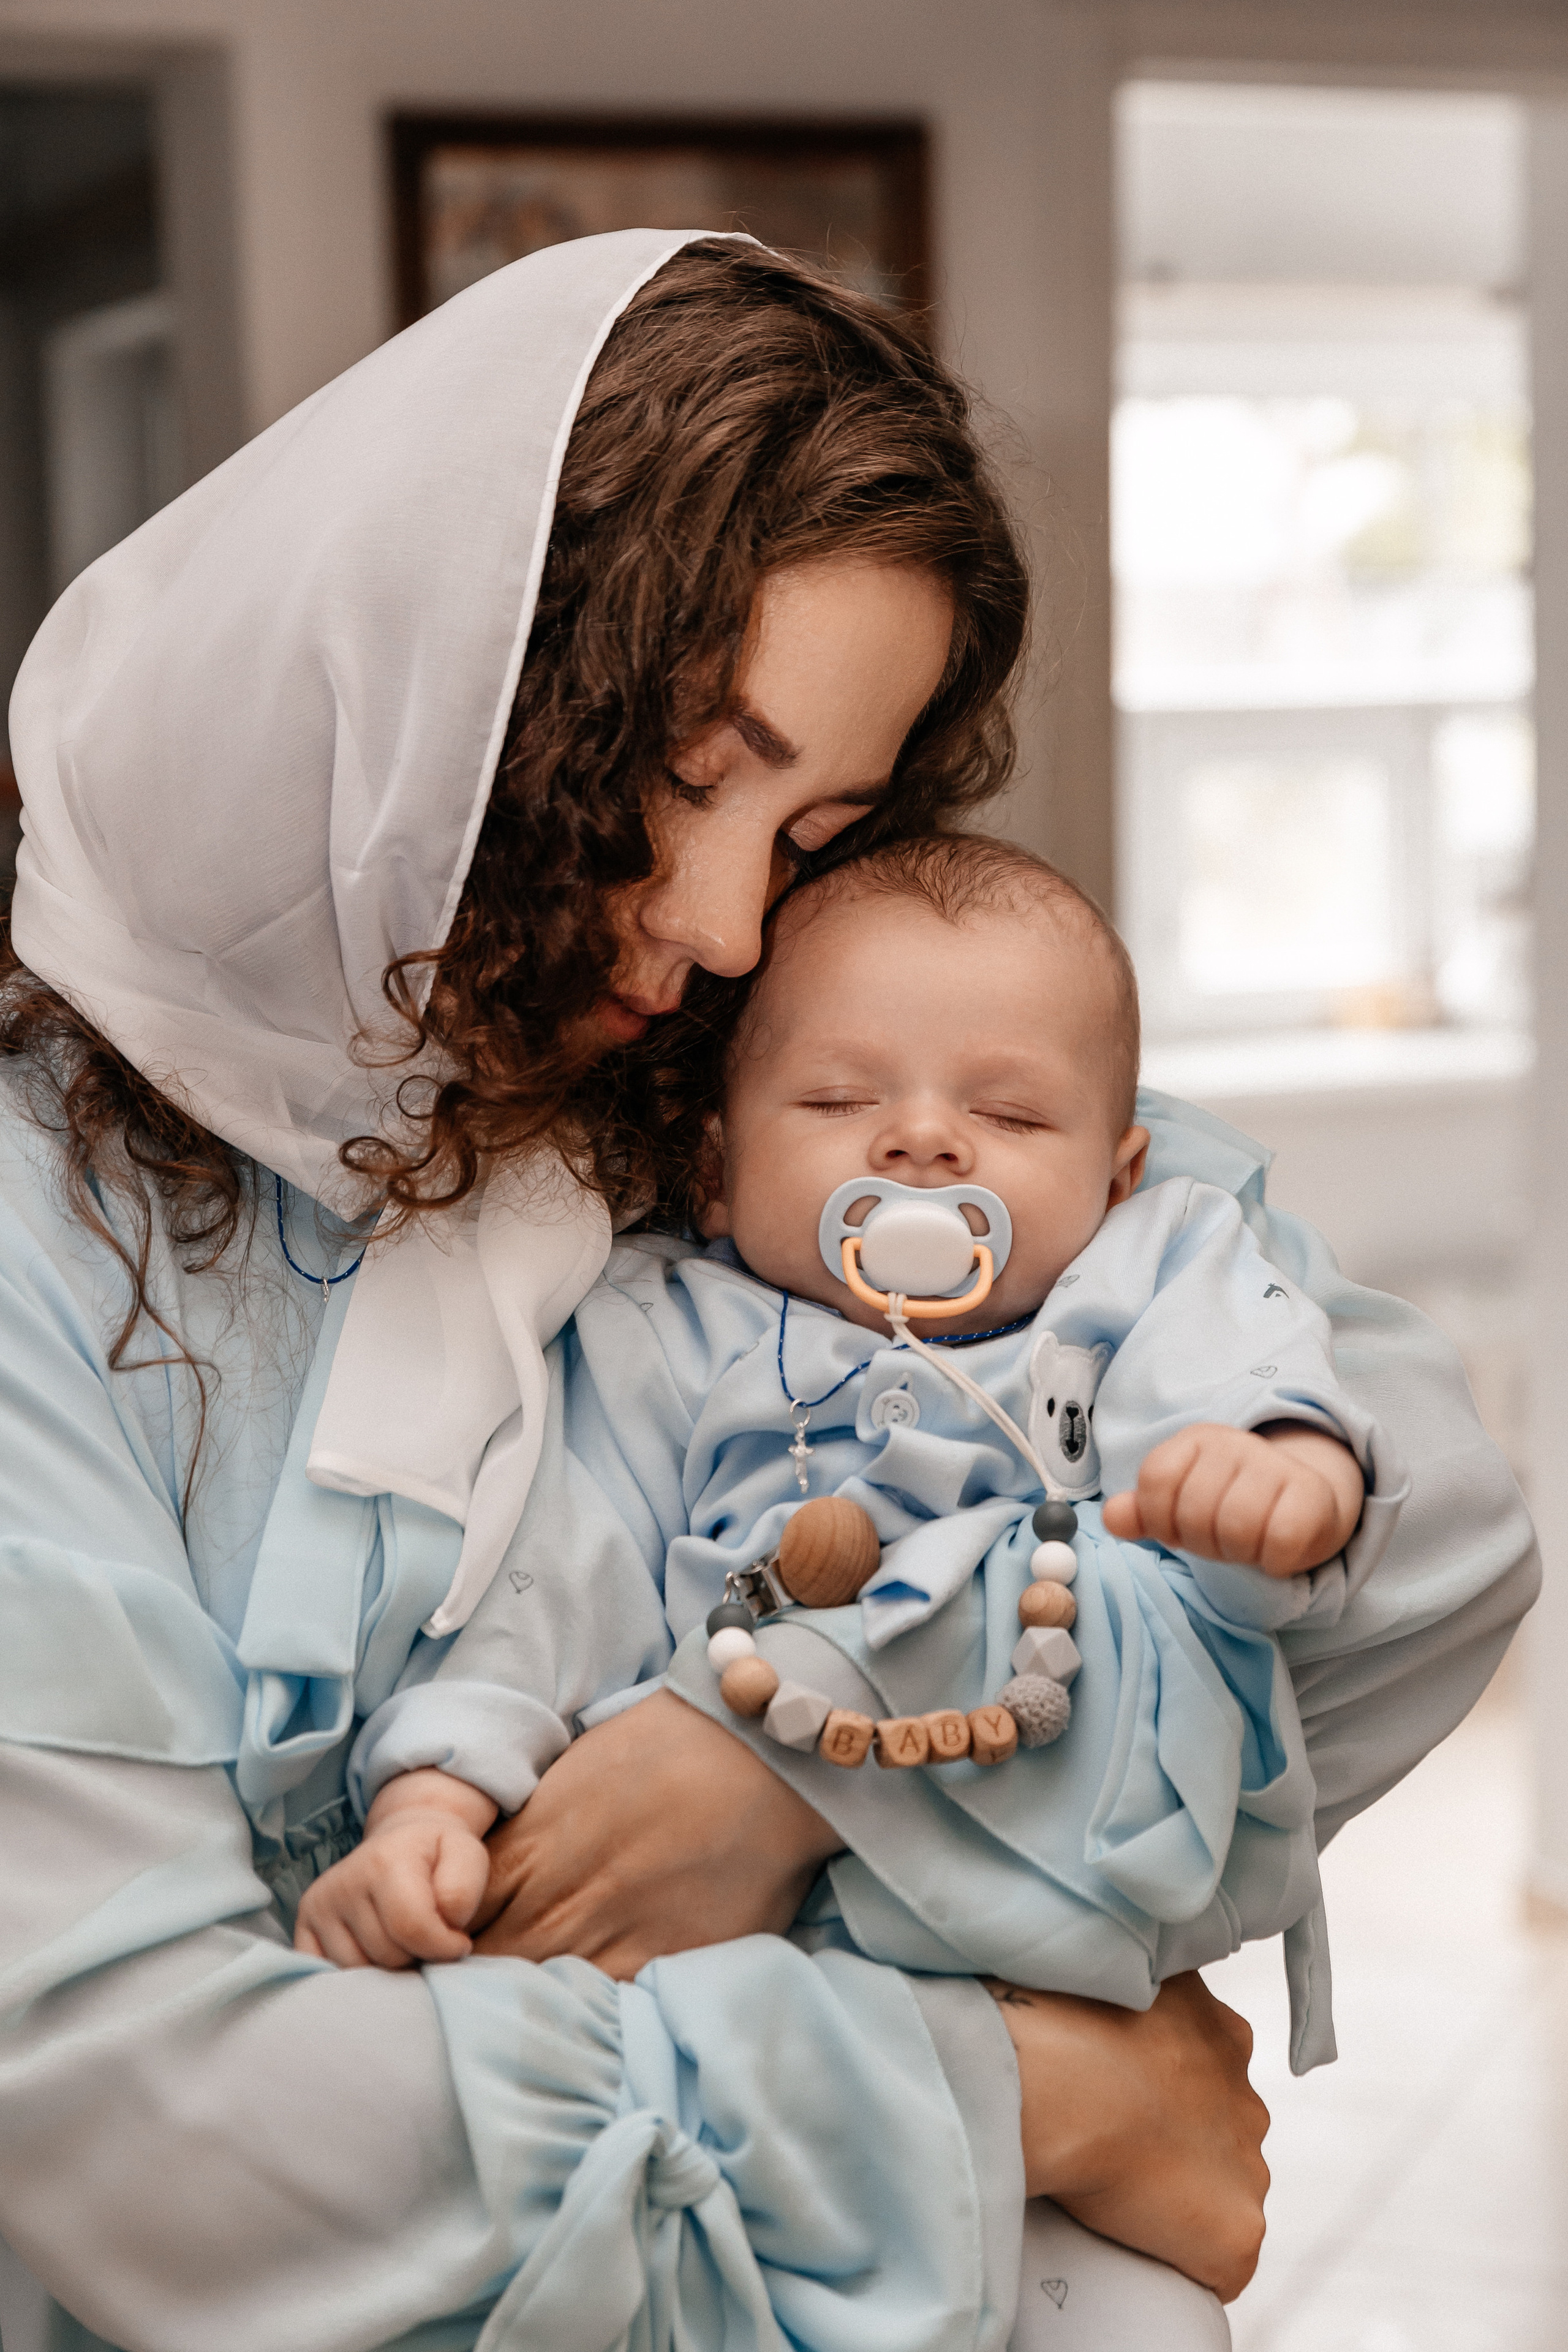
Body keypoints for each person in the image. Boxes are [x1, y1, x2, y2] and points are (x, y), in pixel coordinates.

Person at [0, 229, 1534, 2352]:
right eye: (685, 771)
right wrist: (1027, 2094)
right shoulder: (48, 1243)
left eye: (815, 828)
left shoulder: (734, 1074)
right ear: (466, 700)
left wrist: (817, 1760)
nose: (733, 926)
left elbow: (1426, 1517)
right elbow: (153, 2139)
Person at [300, 832, 1394, 2098]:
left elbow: (1244, 1372)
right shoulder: (662, 1338)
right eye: (835, 1101)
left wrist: (1285, 1471)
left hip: (1034, 1881)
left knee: (1061, 2208)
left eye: (1008, 1113)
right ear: (715, 1173)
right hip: (716, 1921)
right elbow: (549, 1575)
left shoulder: (1143, 1272)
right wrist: (433, 1797)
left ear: (1118, 1176)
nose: (922, 1140)